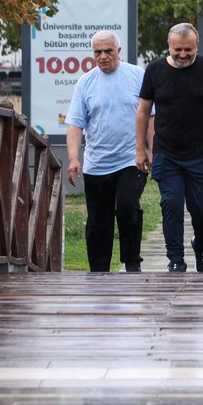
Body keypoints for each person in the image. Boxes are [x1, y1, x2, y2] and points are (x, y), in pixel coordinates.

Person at [135, 23, 203, 273]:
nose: (183, 54)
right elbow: (143, 111)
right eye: (178, 49)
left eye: (188, 50)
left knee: (202, 208)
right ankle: (175, 259)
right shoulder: (155, 70)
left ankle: (201, 245)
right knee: (172, 203)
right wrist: (141, 149)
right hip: (167, 153)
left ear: (197, 46)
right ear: (169, 46)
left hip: (202, 153)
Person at [65, 30, 147, 273]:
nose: (102, 57)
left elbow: (150, 116)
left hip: (131, 159)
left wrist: (151, 150)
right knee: (98, 221)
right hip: (97, 163)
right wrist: (72, 158)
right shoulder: (85, 82)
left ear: (118, 51)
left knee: (127, 206)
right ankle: (99, 271)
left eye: (108, 51)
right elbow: (75, 123)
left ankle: (132, 262)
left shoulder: (136, 76)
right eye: (97, 52)